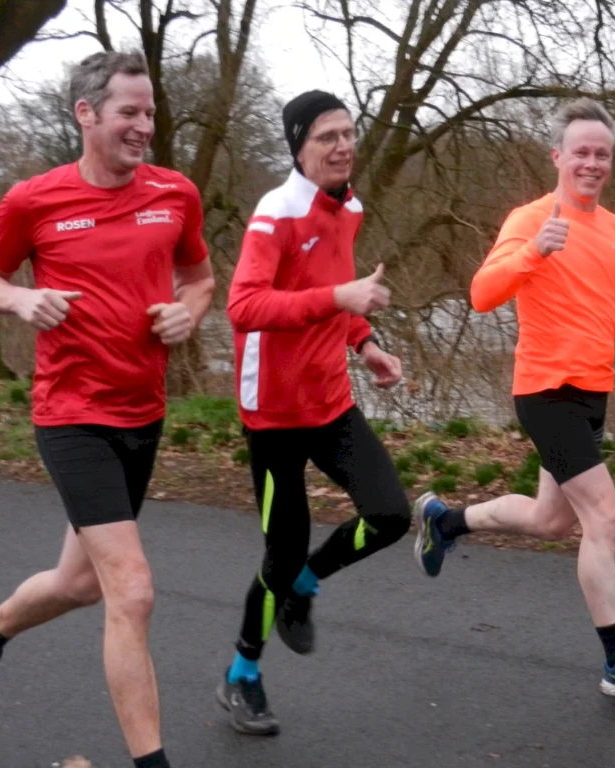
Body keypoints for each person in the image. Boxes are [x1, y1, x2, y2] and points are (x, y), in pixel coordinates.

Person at [0, 51, 215, 768]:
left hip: (142, 411)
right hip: (72, 414)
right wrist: (21, 298)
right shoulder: (35, 200)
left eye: (150, 112)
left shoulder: (176, 193)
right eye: (129, 112)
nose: (144, 127)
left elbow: (200, 276)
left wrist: (187, 313)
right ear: (85, 114)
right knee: (133, 587)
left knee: (81, 583)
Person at [413, 98, 615, 698]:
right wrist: (534, 251)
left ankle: (444, 522)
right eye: (581, 152)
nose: (592, 163)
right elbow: (482, 293)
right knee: (604, 516)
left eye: (602, 154)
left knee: (552, 520)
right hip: (545, 390)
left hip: (593, 393)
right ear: (557, 156)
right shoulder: (529, 218)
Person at [216, 89, 412, 735]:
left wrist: (369, 343)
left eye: (348, 132)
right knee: (279, 551)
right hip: (272, 412)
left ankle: (308, 582)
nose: (343, 145)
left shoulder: (346, 206)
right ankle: (242, 674)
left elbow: (334, 295)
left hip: (328, 400)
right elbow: (244, 307)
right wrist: (340, 298)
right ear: (299, 147)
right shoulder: (278, 214)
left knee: (388, 515)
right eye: (327, 136)